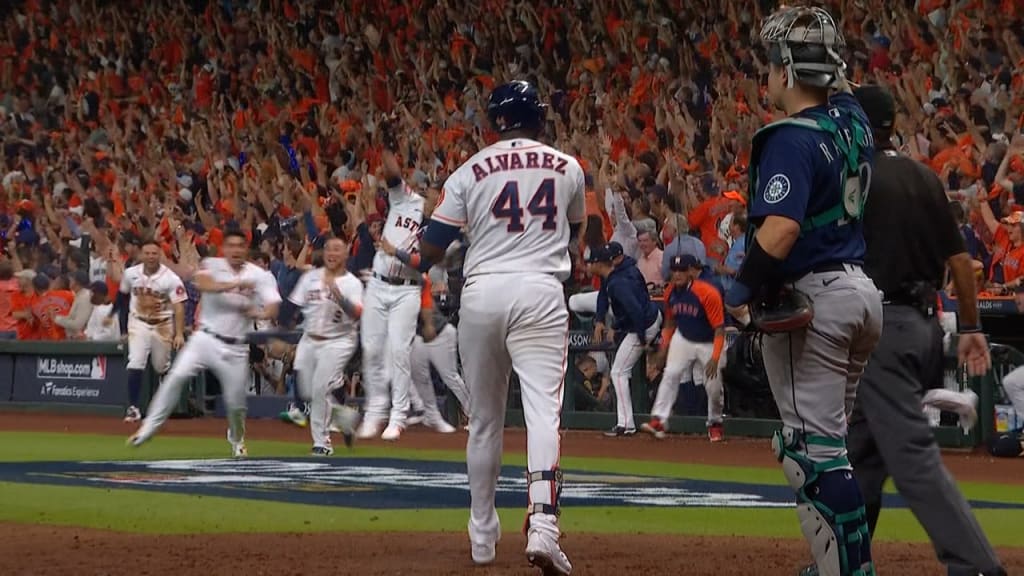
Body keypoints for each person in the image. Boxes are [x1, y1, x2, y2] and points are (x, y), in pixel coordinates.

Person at [723, 7, 881, 576]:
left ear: (786, 73)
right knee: (830, 450)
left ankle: (847, 571)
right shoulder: (853, 121)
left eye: (770, 67)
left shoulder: (790, 137)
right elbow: (844, 88)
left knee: (810, 455)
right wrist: (819, 49)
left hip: (815, 302)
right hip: (861, 294)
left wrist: (739, 290)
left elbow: (781, 230)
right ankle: (835, 564)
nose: (765, 78)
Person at [417, 80, 584, 575]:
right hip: (539, 289)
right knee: (542, 416)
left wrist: (409, 259)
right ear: (539, 118)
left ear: (494, 122)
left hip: (483, 293)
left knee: (485, 420)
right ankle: (544, 528)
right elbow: (578, 227)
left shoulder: (469, 170)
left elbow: (433, 246)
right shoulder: (568, 165)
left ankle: (482, 535)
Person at [850, 85, 1007, 576]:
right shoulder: (923, 177)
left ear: (860, 125)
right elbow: (961, 262)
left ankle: (976, 564)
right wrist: (970, 327)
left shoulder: (857, 177)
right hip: (921, 326)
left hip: (880, 331)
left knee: (911, 456)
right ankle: (842, 560)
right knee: (860, 458)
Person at [129, 229, 281, 457]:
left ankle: (237, 438)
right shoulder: (213, 264)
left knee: (236, 405)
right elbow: (203, 283)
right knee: (177, 376)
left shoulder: (260, 275)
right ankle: (149, 427)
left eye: (240, 246)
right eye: (231, 245)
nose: (236, 250)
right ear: (225, 249)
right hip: (206, 338)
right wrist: (234, 285)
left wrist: (258, 314)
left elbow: (273, 306)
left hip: (236, 346)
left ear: (246, 249)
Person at [356, 150, 425, 442]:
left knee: (398, 351)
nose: (432, 195)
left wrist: (395, 251)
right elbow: (394, 175)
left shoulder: (443, 227)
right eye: (431, 190)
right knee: (371, 349)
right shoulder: (409, 202)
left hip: (407, 290)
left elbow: (425, 264)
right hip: (379, 283)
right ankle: (374, 412)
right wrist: (384, 149)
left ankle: (398, 416)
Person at [278, 237, 363, 456]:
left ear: (346, 255)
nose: (332, 253)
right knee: (307, 391)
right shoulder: (310, 278)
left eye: (337, 250)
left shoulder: (352, 283)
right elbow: (292, 307)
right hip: (309, 338)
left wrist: (340, 298)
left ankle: (322, 443)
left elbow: (357, 314)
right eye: (328, 249)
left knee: (319, 388)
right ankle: (344, 417)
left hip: (339, 340)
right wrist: (282, 330)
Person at [642, 254, 727, 441]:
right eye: (675, 270)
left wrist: (714, 357)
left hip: (710, 340)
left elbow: (719, 329)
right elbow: (670, 323)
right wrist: (664, 348)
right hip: (684, 337)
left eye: (682, 270)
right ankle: (659, 420)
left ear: (690, 272)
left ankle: (715, 422)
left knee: (713, 386)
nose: (678, 274)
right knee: (671, 373)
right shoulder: (670, 292)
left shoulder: (707, 292)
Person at [109, 239, 187, 423]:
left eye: (154, 253)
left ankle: (163, 403)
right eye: (147, 253)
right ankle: (133, 407)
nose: (151, 257)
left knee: (161, 366)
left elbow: (179, 307)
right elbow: (122, 296)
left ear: (160, 254)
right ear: (141, 255)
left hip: (162, 323)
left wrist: (179, 333)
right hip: (138, 322)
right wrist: (117, 320)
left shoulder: (171, 278)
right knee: (135, 362)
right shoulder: (130, 274)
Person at [590, 241, 662, 436]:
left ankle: (626, 424)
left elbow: (635, 311)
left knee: (619, 372)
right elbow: (603, 297)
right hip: (642, 319)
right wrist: (599, 320)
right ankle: (625, 422)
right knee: (620, 372)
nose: (590, 265)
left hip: (644, 323)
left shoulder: (620, 280)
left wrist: (642, 339)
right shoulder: (612, 276)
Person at [408, 273, 469, 433]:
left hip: (440, 333)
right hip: (422, 337)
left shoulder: (413, 282)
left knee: (450, 377)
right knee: (413, 372)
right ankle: (427, 412)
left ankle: (475, 415)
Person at [54, 270, 94, 339]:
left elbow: (77, 325)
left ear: (77, 282)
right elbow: (71, 318)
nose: (69, 282)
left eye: (71, 280)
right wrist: (56, 317)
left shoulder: (85, 297)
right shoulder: (79, 295)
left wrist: (56, 319)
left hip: (80, 341)